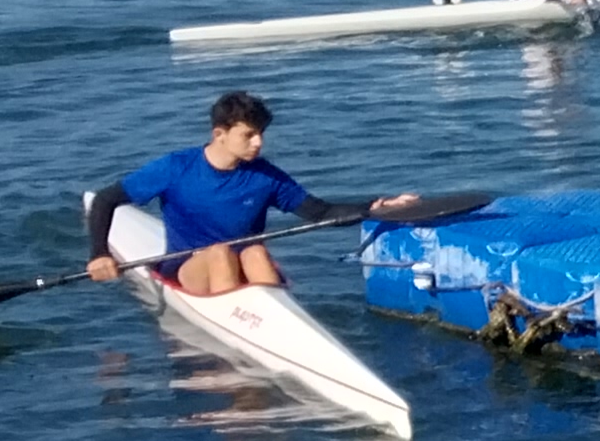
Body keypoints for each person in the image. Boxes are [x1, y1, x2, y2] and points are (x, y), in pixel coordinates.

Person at [85, 91, 418, 297]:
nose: (259, 143)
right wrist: (100, 253)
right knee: (220, 253)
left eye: (261, 134)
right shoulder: (176, 168)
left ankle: (275, 319)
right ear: (220, 134)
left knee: (255, 253)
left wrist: (375, 207)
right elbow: (105, 200)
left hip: (245, 267)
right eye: (249, 135)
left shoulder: (264, 177)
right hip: (186, 271)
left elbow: (319, 213)